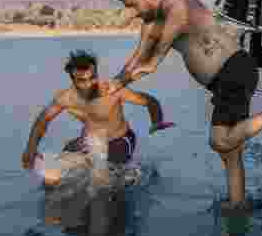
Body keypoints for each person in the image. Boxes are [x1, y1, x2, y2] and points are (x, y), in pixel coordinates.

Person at [105, 0, 262, 208]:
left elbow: (173, 29)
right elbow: (137, 59)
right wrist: (117, 83)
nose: (134, 13)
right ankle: (238, 203)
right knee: (230, 151)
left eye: (133, 6)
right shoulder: (150, 25)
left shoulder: (178, 2)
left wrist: (155, 61)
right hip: (222, 81)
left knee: (220, 142)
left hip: (233, 69)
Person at [21, 50, 174, 186]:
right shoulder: (66, 98)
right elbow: (43, 120)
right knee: (50, 178)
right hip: (91, 141)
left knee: (100, 181)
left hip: (119, 140)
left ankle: (122, 173)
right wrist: (30, 149)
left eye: (92, 78)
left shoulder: (112, 89)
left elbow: (150, 101)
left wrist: (157, 122)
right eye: (82, 80)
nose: (88, 84)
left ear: (97, 74)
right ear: (72, 80)